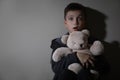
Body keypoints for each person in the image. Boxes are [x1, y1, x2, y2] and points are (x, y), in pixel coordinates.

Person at [50, 3, 106, 80]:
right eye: (71, 18)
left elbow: (105, 69)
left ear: (85, 21)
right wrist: (76, 56)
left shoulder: (94, 43)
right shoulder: (59, 43)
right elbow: (56, 68)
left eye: (80, 18)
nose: (75, 23)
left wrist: (89, 59)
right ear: (65, 23)